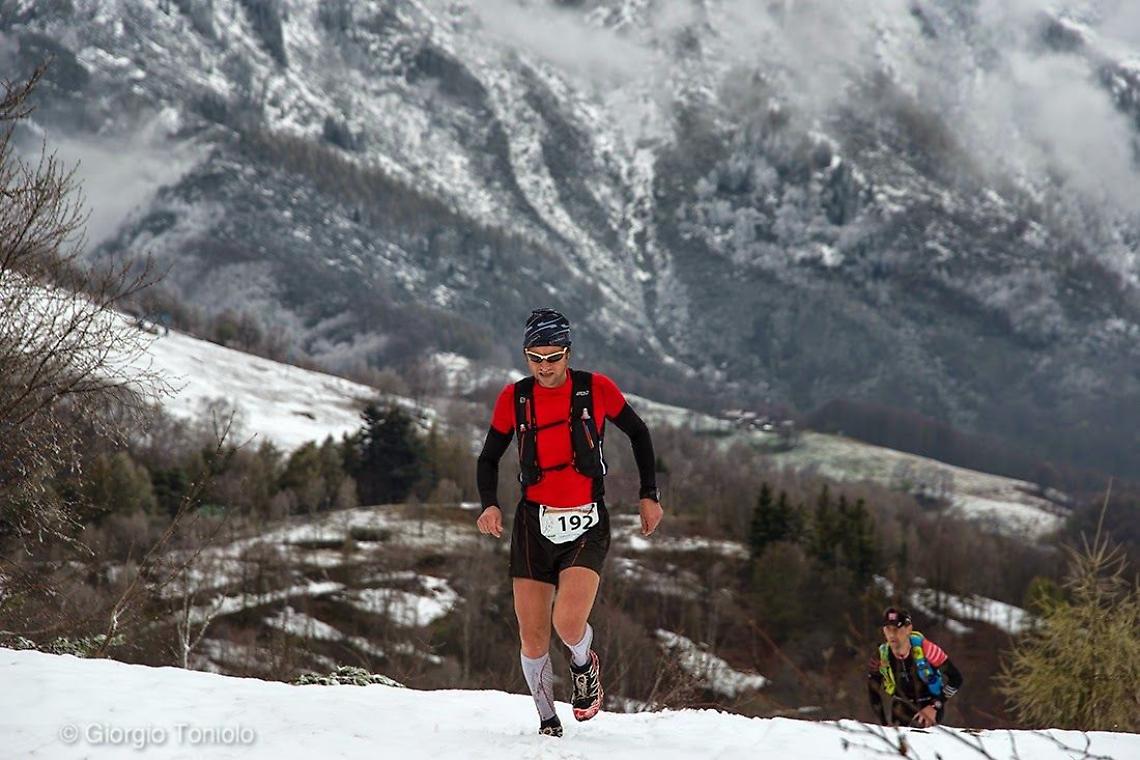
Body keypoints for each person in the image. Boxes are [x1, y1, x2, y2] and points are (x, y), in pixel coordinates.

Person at [475, 308, 664, 738]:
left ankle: (583, 663)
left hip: (587, 521)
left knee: (568, 624)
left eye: (553, 357)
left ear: (568, 353)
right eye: (535, 358)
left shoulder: (595, 389)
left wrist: (649, 495)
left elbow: (639, 433)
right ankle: (547, 721)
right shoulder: (515, 398)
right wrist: (489, 505)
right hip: (532, 523)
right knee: (533, 635)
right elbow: (489, 457)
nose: (544, 367)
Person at [867, 607, 964, 727]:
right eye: (888, 629)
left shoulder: (927, 649)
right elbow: (873, 690)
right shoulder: (881, 655)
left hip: (929, 703)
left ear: (909, 629)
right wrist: (884, 723)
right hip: (900, 706)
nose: (892, 634)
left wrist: (935, 706)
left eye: (897, 629)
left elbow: (956, 678)